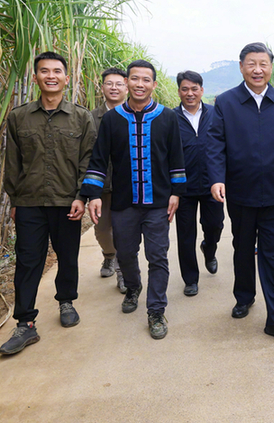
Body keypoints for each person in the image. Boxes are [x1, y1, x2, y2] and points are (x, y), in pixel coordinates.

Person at [206, 42, 274, 340]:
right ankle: (244, 295)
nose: (258, 69)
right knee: (243, 247)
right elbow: (215, 144)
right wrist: (216, 179)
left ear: (271, 67)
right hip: (241, 193)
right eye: (251, 63)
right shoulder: (225, 102)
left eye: (263, 63)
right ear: (241, 67)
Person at [0, 52, 96, 355]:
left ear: (67, 78)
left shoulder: (82, 117)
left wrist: (83, 196)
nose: (50, 76)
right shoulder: (19, 116)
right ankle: (25, 323)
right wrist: (15, 199)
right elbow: (12, 162)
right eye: (44, 71)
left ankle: (66, 300)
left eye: (57, 71)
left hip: (68, 201)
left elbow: (88, 161)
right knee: (28, 261)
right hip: (29, 202)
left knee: (67, 256)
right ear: (36, 77)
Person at [82, 60, 186, 340]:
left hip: (158, 203)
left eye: (146, 80)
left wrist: (176, 192)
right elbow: (99, 159)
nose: (140, 84)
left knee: (157, 256)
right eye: (135, 79)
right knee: (125, 253)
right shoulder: (112, 119)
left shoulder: (167, 118)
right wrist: (93, 195)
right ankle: (133, 287)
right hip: (124, 202)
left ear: (153, 84)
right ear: (127, 82)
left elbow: (176, 158)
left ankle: (156, 310)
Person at [174, 70, 224, 297]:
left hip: (212, 185)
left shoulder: (216, 114)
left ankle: (209, 249)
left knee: (215, 225)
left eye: (195, 89)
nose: (190, 93)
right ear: (179, 92)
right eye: (185, 89)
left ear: (202, 90)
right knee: (185, 235)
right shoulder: (170, 118)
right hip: (183, 187)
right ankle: (190, 279)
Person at [91, 67, 128, 290]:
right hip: (102, 185)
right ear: (102, 87)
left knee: (125, 231)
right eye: (109, 84)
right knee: (102, 229)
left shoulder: (134, 115)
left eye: (118, 84)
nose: (114, 88)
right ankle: (109, 254)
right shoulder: (90, 118)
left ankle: (123, 270)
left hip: (128, 185)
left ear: (126, 87)